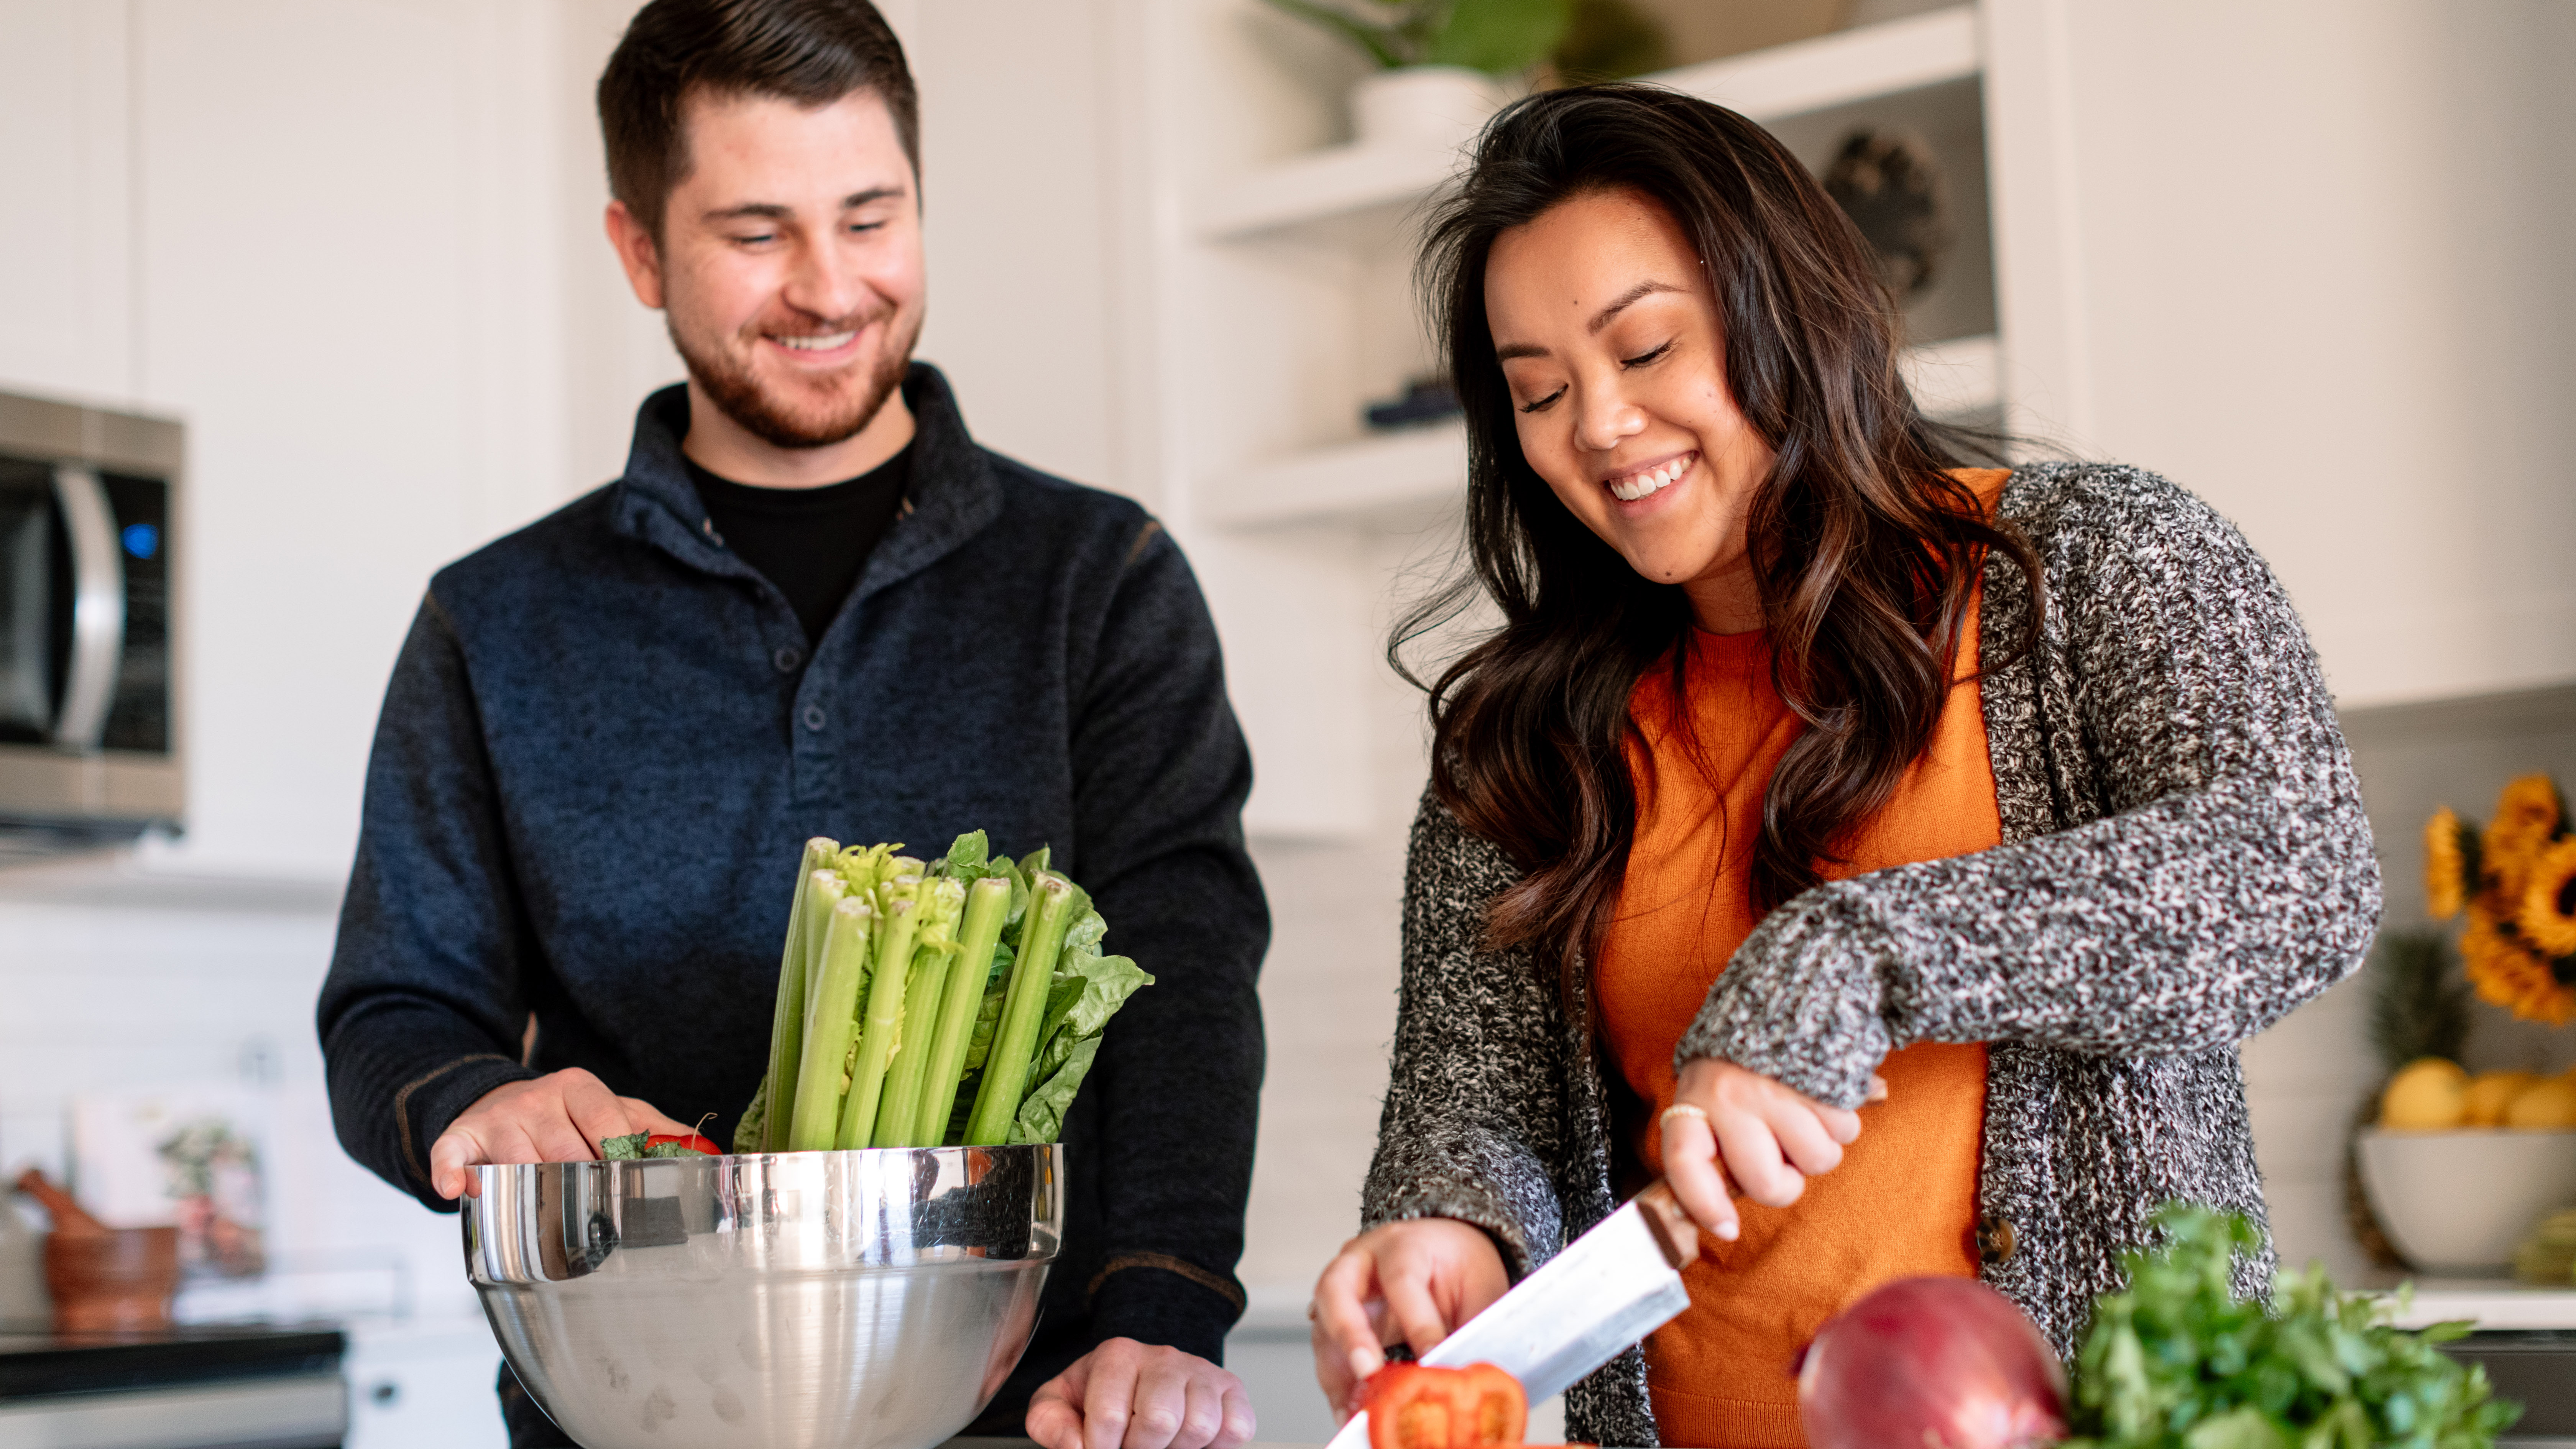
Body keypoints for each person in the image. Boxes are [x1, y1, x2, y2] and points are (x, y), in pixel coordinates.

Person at [1306, 84, 2380, 1449]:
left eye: (1646, 348)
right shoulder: (1518, 739)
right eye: (1539, 391)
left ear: (1786, 309)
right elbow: (1476, 1101)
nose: (1600, 426)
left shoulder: (2095, 561)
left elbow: (2299, 874)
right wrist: (1446, 1225)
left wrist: (1850, 956)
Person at [314, 5, 1264, 1448]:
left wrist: (1163, 1308)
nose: (832, 286)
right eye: (758, 232)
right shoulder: (496, 622)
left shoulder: (1097, 581)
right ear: (641, 251)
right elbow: (392, 1010)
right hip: (624, 1410)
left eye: (871, 218)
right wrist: (473, 1100)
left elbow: (1184, 977)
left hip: (1040, 1411)